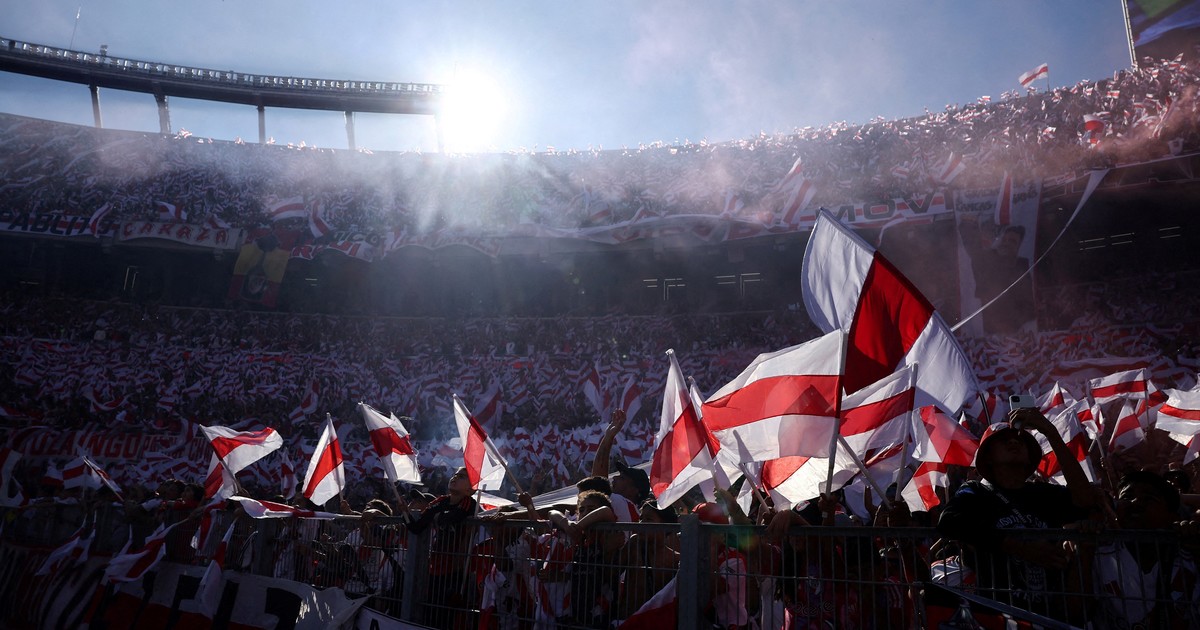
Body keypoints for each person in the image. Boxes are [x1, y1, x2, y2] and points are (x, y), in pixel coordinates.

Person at [937, 407, 1100, 624]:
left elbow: (1085, 500)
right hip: (999, 619)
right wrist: (1018, 547)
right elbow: (948, 522)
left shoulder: (1044, 494)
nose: (1014, 442)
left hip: (1049, 619)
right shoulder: (976, 492)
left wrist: (1051, 433)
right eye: (1003, 440)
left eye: (1021, 440)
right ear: (988, 458)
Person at [1086, 470, 1200, 628]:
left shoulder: (1191, 555)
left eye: (1149, 499)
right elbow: (1074, 612)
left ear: (1172, 517)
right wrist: (1082, 549)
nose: (1135, 502)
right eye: (1126, 497)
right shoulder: (1098, 555)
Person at [403, 467, 479, 629]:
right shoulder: (440, 501)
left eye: (462, 477)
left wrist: (438, 516)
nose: (455, 477)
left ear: (470, 490)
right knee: (431, 612)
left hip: (457, 570)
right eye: (455, 474)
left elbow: (453, 518)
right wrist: (405, 514)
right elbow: (417, 527)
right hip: (435, 568)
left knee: (448, 616)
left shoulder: (469, 503)